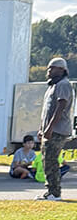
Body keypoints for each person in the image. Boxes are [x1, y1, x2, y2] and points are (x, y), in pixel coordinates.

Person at [36, 57, 74, 202]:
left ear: (62, 70)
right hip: (50, 130)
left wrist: (50, 128)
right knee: (47, 160)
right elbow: (46, 111)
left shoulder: (63, 85)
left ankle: (55, 193)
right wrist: (42, 129)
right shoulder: (53, 86)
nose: (49, 71)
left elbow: (60, 107)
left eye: (52, 68)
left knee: (51, 160)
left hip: (57, 130)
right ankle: (50, 191)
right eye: (48, 68)